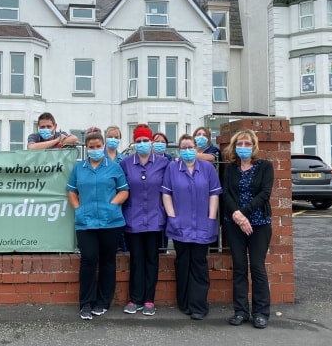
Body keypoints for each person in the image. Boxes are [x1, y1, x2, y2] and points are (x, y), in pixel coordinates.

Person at [66, 127, 129, 320]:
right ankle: (86, 303)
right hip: (86, 223)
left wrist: (112, 205)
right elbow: (71, 190)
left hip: (111, 222)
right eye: (91, 146)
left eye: (98, 146)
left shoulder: (114, 167)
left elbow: (124, 191)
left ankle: (103, 302)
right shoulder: (79, 168)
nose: (95, 149)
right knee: (88, 260)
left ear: (102, 146)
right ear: (86, 148)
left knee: (108, 262)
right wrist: (77, 208)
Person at [161, 134, 222, 320]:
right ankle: (184, 303)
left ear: (196, 149)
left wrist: (211, 218)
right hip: (180, 225)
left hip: (203, 225)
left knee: (199, 265)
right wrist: (172, 217)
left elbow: (214, 194)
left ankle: (198, 306)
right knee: (182, 264)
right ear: (179, 150)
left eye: (190, 147)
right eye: (183, 148)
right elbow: (166, 194)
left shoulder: (207, 168)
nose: (187, 151)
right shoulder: (172, 168)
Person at [222, 129, 274, 329]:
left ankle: (261, 312)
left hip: (259, 223)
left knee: (258, 267)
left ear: (254, 146)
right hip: (234, 223)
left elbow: (265, 194)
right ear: (235, 147)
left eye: (247, 144)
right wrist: (236, 214)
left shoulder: (265, 167)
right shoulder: (230, 169)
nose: (243, 147)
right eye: (240, 144)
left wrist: (243, 213)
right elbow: (226, 193)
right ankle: (241, 311)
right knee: (240, 267)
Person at [119, 125, 169, 316]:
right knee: (136, 260)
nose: (142, 144)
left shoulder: (163, 163)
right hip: (133, 219)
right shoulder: (126, 163)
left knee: (152, 260)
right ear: (134, 143)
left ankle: (149, 300)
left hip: (155, 219)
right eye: (138, 141)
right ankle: (135, 299)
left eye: (145, 140)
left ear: (151, 142)